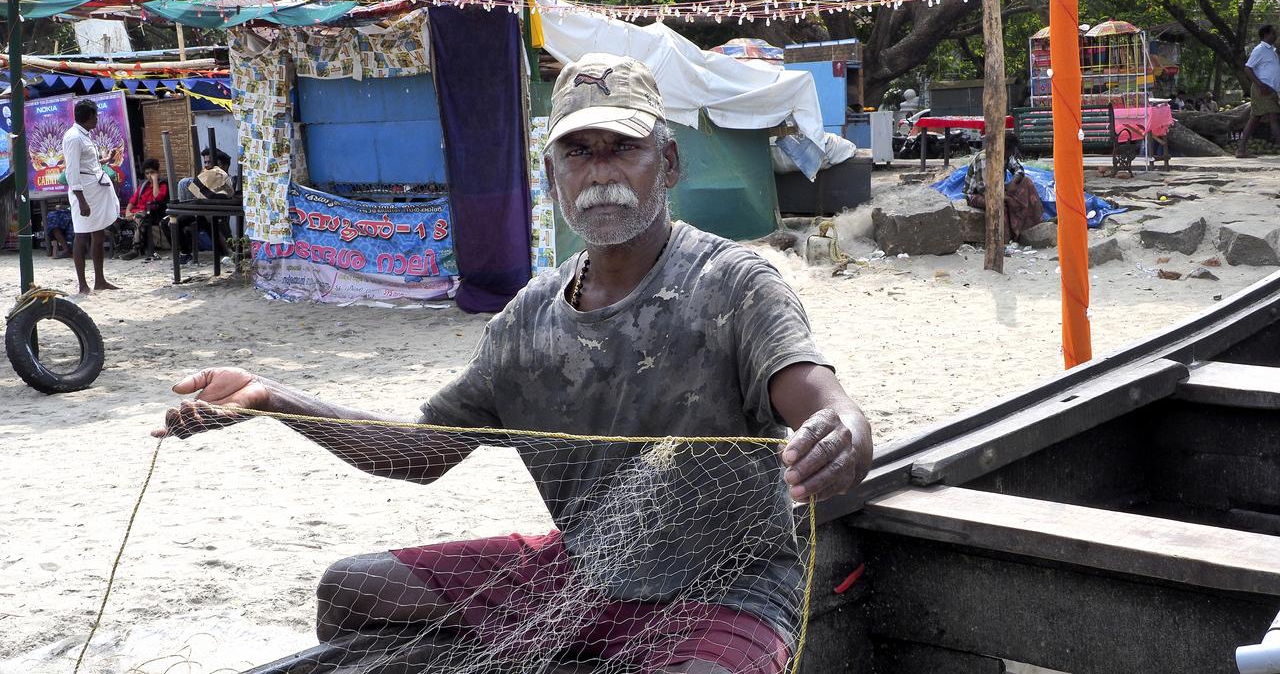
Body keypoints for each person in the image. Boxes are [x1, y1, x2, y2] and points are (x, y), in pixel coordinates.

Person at [153, 53, 873, 674]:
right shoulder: (528, 319)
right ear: (552, 173)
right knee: (351, 588)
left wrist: (840, 434)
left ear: (670, 162)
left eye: (623, 148)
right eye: (578, 152)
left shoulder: (735, 283)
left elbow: (824, 401)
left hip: (727, 591)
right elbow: (421, 454)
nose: (600, 174)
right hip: (580, 571)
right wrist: (272, 398)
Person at [63, 99, 120, 293]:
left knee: (98, 232)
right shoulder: (73, 137)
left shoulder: (85, 135)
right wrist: (81, 201)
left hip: (95, 188)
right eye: (95, 115)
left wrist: (108, 160)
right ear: (88, 117)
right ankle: (82, 285)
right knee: (81, 234)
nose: (97, 119)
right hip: (83, 192)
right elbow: (72, 171)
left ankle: (100, 281)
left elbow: (89, 162)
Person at [963, 132, 1044, 240]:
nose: (1013, 153)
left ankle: (1034, 225)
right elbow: (983, 189)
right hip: (977, 194)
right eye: (1011, 150)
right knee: (999, 204)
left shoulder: (1006, 155)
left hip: (997, 189)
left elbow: (1019, 170)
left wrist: (1013, 183)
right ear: (1005, 147)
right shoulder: (984, 158)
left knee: (1027, 182)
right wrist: (1008, 199)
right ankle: (1005, 239)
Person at [1238, 24, 1280, 158]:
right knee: (1274, 117)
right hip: (1263, 89)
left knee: (1255, 118)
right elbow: (1247, 68)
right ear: (1266, 35)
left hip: (1270, 90)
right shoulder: (1260, 49)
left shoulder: (1272, 51)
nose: (1276, 35)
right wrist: (1260, 85)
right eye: (1273, 33)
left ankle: (1241, 149)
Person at [120, 158, 169, 260]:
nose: (149, 176)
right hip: (136, 212)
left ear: (157, 172)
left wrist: (155, 180)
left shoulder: (163, 184)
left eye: (152, 173)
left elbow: (157, 197)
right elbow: (132, 201)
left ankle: (135, 249)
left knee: (139, 216)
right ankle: (119, 245)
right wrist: (128, 211)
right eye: (147, 173)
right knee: (115, 217)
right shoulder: (143, 185)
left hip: (152, 213)